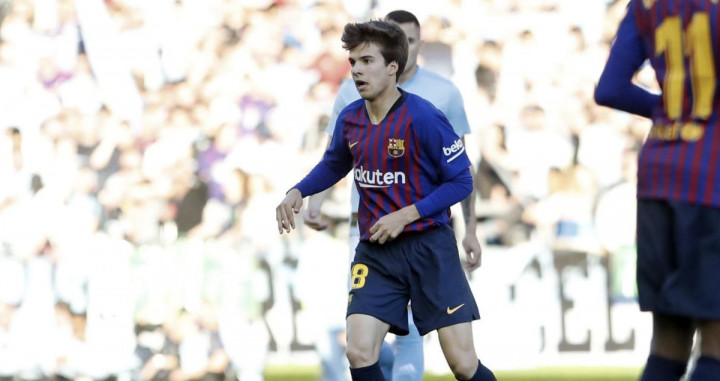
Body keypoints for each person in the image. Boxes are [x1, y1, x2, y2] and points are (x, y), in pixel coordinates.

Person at [276, 19, 495, 381]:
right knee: (359, 350)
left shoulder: (424, 116)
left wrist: (406, 215)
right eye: (354, 63)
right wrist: (298, 190)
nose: (358, 71)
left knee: (463, 364)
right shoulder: (351, 119)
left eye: (367, 61)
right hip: (376, 251)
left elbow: (461, 180)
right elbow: (333, 164)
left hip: (429, 248)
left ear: (393, 67)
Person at [595, 1, 720, 380]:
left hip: (658, 174)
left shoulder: (647, 4)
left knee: (668, 340)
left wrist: (671, 110)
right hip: (711, 179)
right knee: (716, 340)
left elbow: (610, 88)